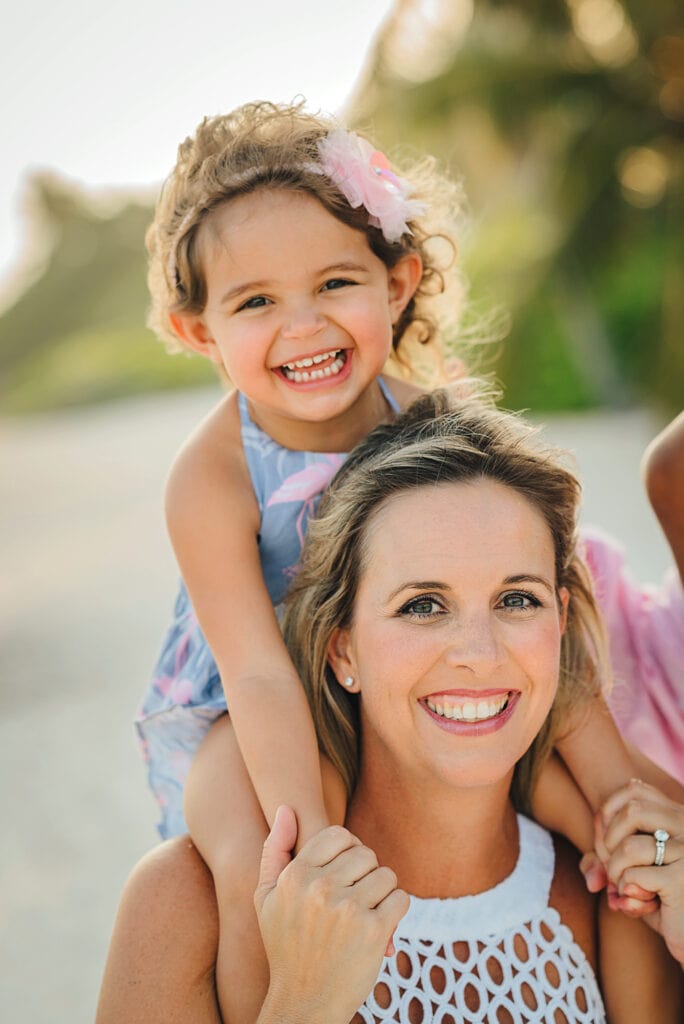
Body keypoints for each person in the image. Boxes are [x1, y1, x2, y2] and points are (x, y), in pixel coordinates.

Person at [134, 99, 680, 1019]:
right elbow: (261, 674)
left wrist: (620, 783)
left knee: (591, 800)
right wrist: (308, 839)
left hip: (423, 666)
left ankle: (646, 871)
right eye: (257, 301)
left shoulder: (433, 410)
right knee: (249, 849)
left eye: (335, 283)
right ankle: (288, 993)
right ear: (200, 332)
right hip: (262, 697)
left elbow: (543, 586)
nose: (303, 327)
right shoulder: (213, 473)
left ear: (397, 284)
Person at [98, 393, 683, 1023]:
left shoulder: (627, 902)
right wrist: (302, 1002)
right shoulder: (184, 907)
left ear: (561, 623)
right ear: (341, 647)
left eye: (517, 600)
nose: (480, 655)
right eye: (422, 606)